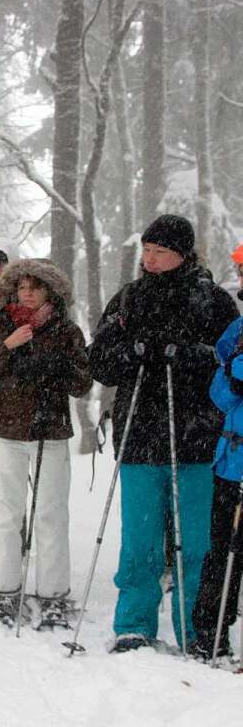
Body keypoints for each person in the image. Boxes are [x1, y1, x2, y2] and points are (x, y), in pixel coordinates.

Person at [89, 214, 237, 654]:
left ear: (183, 254)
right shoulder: (129, 299)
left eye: (161, 253)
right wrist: (131, 351)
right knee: (141, 541)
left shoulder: (212, 301)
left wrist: (191, 355)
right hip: (139, 435)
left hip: (196, 436)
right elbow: (98, 360)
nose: (151, 261)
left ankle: (196, 628)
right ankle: (134, 624)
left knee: (195, 543)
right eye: (147, 252)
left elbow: (229, 360)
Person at [0, 259, 92, 628]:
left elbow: (82, 383)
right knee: (6, 515)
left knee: (50, 515)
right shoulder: (2, 324)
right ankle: (5, 590)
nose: (26, 293)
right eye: (21, 287)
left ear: (49, 292)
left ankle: (53, 595)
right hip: (8, 432)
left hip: (51, 433)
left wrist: (56, 365)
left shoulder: (66, 330)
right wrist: (8, 346)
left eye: (34, 287)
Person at [190, 244, 243, 660]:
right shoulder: (237, 330)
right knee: (221, 552)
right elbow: (219, 393)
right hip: (231, 462)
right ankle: (210, 635)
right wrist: (234, 378)